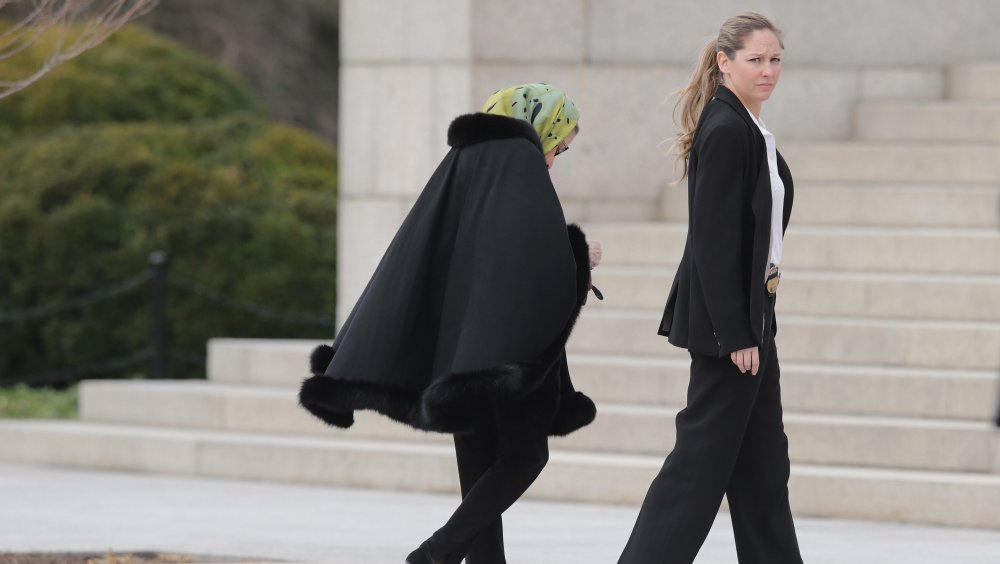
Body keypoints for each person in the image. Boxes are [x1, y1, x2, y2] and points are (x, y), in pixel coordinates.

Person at [298, 83, 602, 564]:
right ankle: (435, 554)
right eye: (557, 147)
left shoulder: (465, 161)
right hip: (508, 348)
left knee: (480, 467)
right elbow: (528, 257)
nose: (551, 160)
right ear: (541, 127)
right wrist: (580, 256)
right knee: (526, 457)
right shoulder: (519, 163)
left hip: (461, 348)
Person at [617, 12, 803, 564]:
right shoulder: (724, 130)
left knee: (764, 471)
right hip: (734, 334)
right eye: (755, 60)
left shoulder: (746, 126)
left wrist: (754, 326)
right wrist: (735, 333)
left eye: (775, 60)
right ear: (725, 62)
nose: (768, 71)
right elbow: (713, 243)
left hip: (753, 325)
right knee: (697, 470)